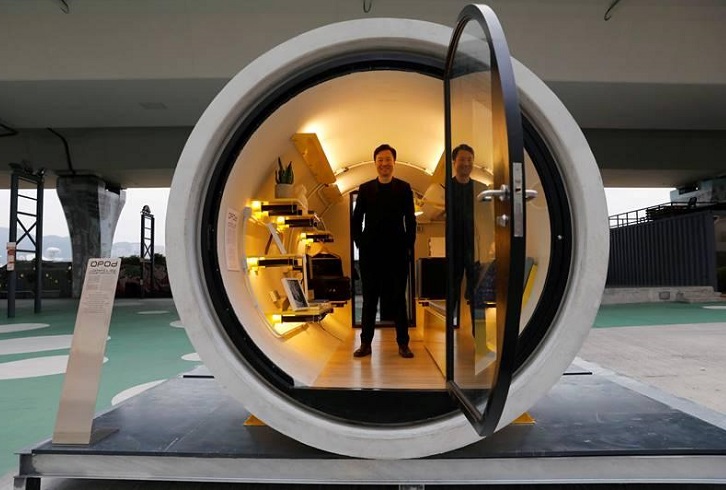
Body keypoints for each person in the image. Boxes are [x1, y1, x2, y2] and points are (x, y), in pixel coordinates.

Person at [351, 144, 417, 358]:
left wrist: (408, 245)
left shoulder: (404, 188)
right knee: (369, 300)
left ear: (394, 162)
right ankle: (365, 344)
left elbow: (411, 220)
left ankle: (403, 344)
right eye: (380, 160)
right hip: (371, 254)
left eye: (388, 159)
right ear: (375, 163)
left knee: (399, 299)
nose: (384, 163)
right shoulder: (365, 189)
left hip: (397, 253)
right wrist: (360, 243)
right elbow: (356, 220)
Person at [450, 144, 479, 327]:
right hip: (453, 248)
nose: (466, 163)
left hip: (474, 248)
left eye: (470, 159)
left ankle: (479, 336)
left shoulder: (479, 188)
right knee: (452, 291)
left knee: (476, 291)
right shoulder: (446, 188)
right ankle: (448, 333)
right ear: (454, 162)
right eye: (462, 159)